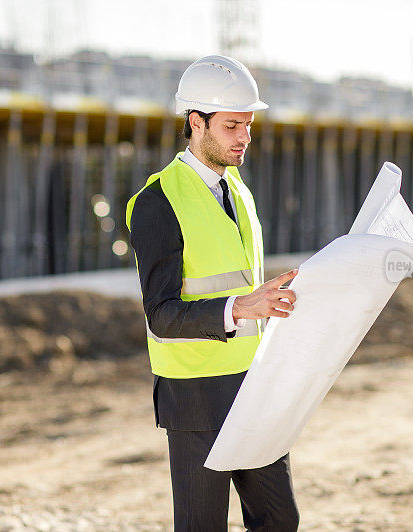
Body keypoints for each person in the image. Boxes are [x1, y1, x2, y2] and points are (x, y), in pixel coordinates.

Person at [125, 55, 300, 531]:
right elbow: (160, 314)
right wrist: (242, 307)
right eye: (231, 126)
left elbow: (240, 280)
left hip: (252, 386)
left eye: (247, 125)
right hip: (196, 398)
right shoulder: (156, 203)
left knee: (280, 520)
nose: (244, 137)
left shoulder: (237, 190)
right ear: (195, 122)